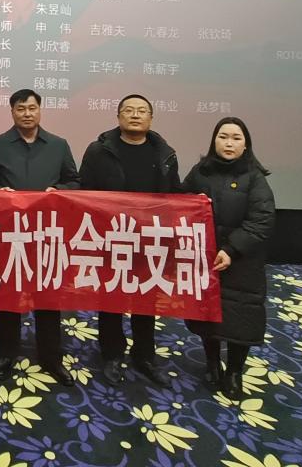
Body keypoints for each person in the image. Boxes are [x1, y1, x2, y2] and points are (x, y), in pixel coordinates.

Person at [78, 94, 181, 387]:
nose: (135, 115)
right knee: (111, 298)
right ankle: (111, 354)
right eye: (129, 110)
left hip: (151, 239)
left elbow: (175, 195)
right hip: (111, 237)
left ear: (151, 118)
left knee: (146, 299)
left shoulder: (165, 153)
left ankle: (144, 355)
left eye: (142, 111)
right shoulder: (99, 151)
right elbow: (85, 192)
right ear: (118, 116)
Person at [0, 88, 80, 387]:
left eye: (32, 108)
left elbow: (74, 181)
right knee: (7, 295)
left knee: (48, 296)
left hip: (47, 233)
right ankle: (6, 353)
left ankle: (51, 358)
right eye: (21, 109)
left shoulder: (59, 145)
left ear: (40, 110)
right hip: (9, 232)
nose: (27, 113)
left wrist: (58, 192)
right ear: (12, 112)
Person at [183, 117, 275, 400]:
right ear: (214, 141)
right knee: (207, 316)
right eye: (223, 137)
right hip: (206, 257)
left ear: (246, 144)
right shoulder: (200, 172)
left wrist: (232, 249)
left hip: (242, 261)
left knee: (241, 317)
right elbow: (181, 203)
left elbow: (262, 220)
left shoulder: (254, 177)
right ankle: (212, 363)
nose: (229, 143)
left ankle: (234, 371)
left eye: (236, 138)